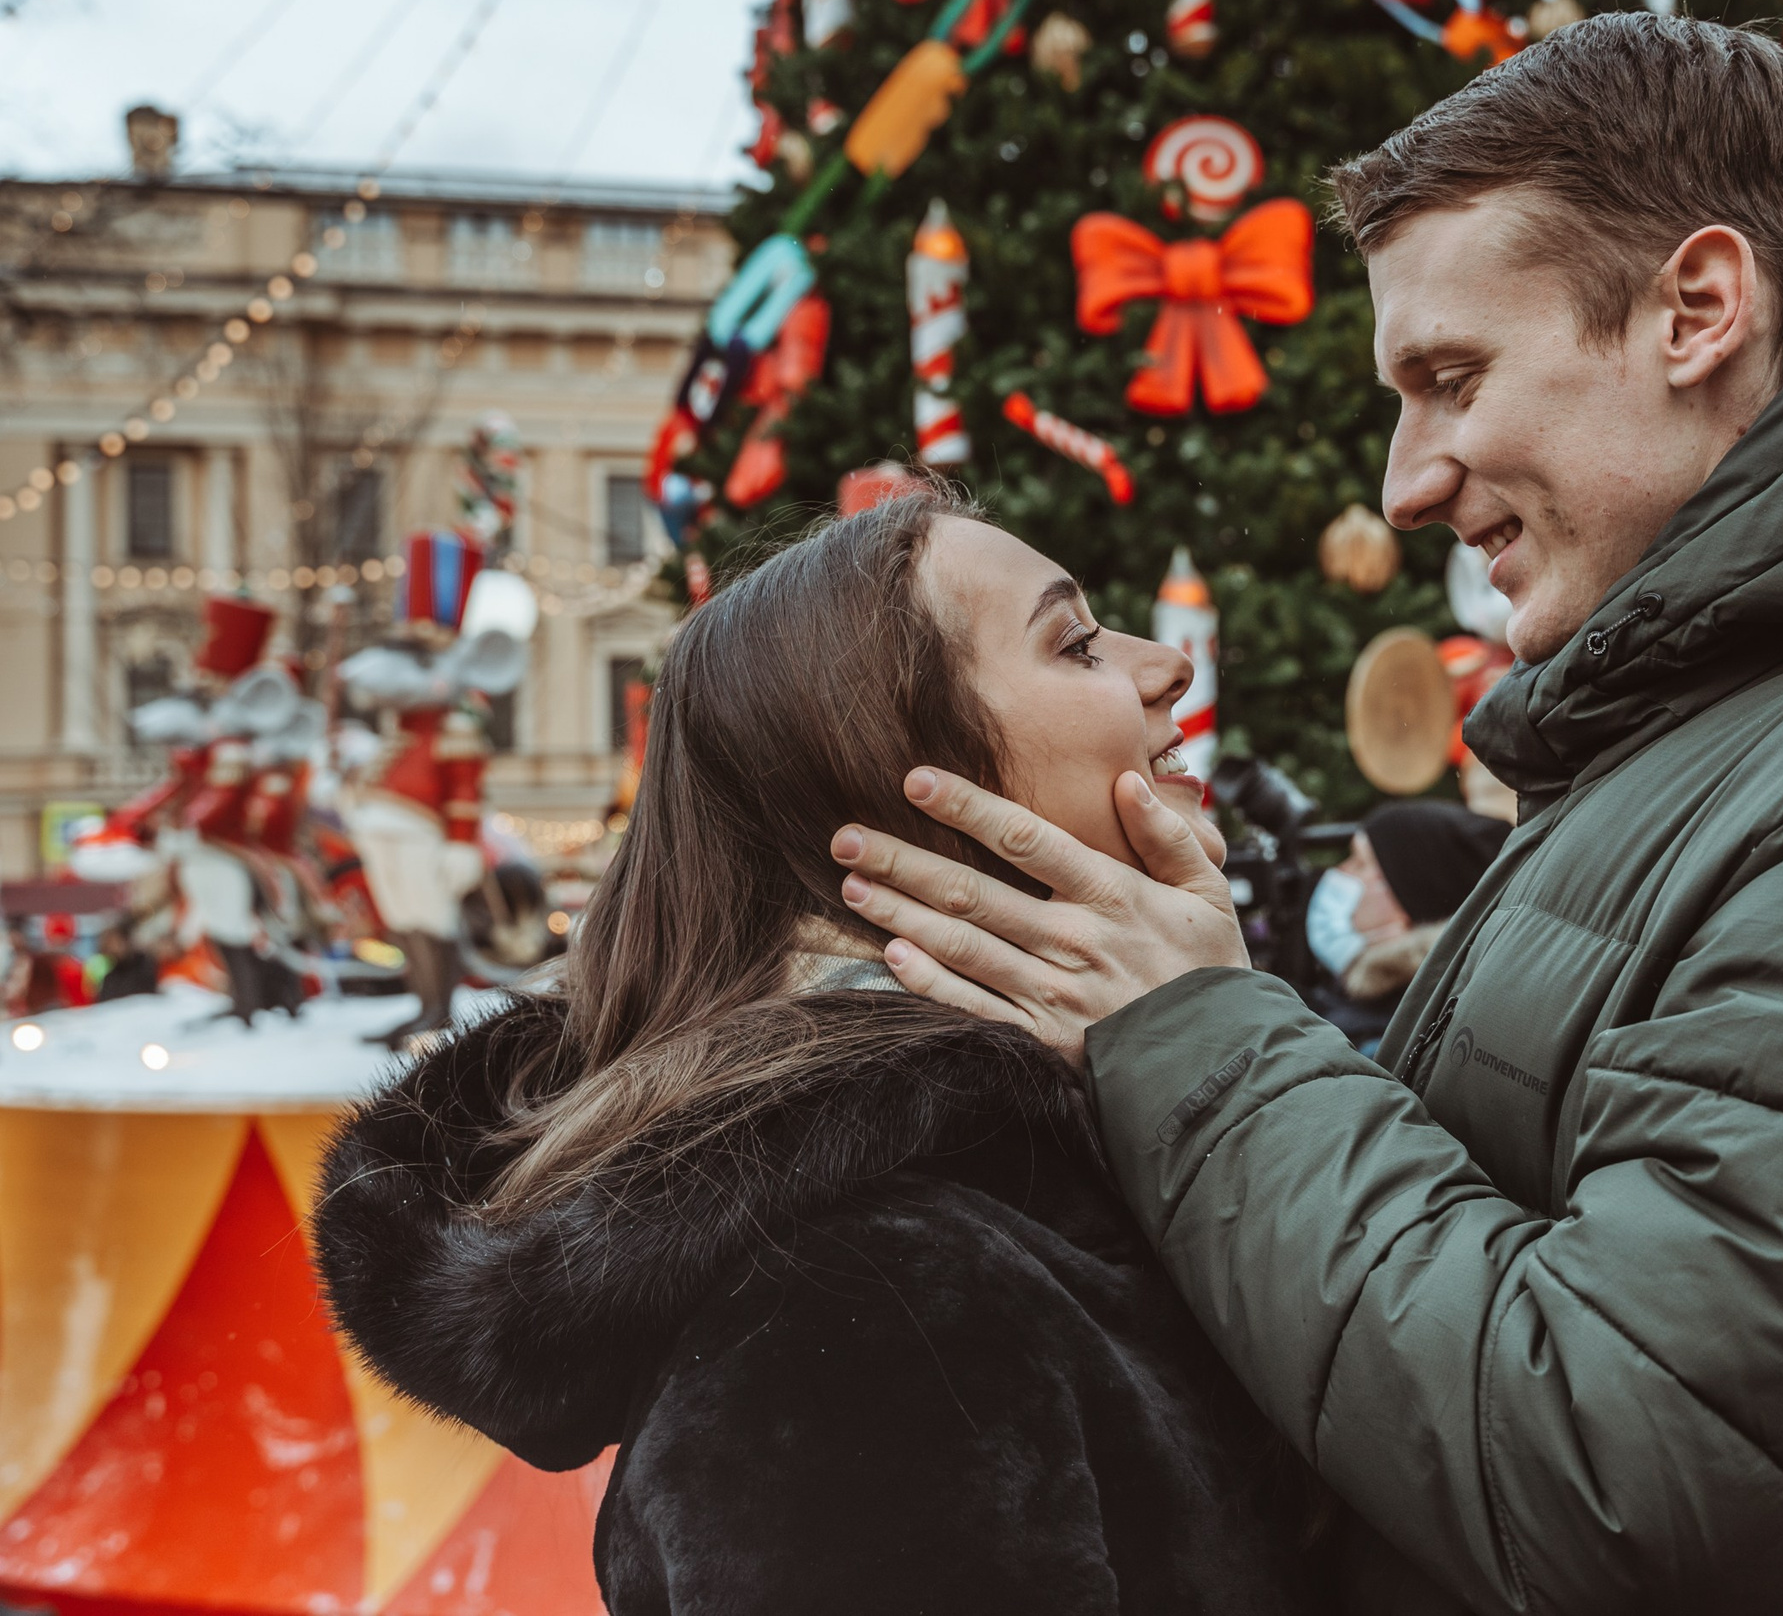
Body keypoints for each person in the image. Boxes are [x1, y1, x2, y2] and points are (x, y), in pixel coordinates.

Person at [827, 13, 1783, 1614]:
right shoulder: (1726, 738)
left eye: (1450, 378)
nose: (1408, 481)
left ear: (1697, 311)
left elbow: (1622, 1484)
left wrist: (1201, 1042)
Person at [313, 493, 1432, 1615]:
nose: (1165, 666)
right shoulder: (865, 1292)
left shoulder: (1065, 1139)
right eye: (1077, 642)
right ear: (896, 771)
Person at [1310, 801, 1508, 1052]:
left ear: (1406, 899)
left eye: (1360, 863)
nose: (1341, 871)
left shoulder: (1382, 1045)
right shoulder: (1366, 1004)